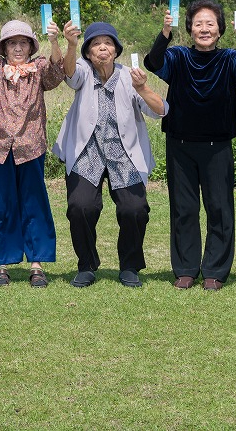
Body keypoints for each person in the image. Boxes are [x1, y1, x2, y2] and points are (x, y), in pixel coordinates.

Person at [144, 0, 236, 291]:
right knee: (184, 208)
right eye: (198, 24)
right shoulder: (179, 56)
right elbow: (153, 63)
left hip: (217, 145)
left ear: (220, 29)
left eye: (210, 24)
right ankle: (185, 268)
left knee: (219, 207)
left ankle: (215, 271)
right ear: (190, 29)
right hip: (180, 143)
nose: (204, 29)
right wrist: (165, 32)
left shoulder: (229, 58)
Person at [54, 21, 167, 288]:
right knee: (80, 207)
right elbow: (70, 75)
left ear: (116, 51)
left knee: (134, 209)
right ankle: (86, 265)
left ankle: (129, 266)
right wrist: (70, 44)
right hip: (87, 153)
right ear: (88, 53)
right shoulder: (82, 71)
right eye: (95, 43)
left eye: (108, 43)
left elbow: (161, 110)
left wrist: (143, 88)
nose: (102, 47)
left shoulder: (130, 76)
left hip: (123, 155)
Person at [0, 16, 73, 288]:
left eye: (23, 43)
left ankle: (36, 264)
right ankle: (2, 263)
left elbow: (56, 74)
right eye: (12, 43)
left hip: (31, 145)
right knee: (2, 205)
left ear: (30, 47)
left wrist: (54, 42)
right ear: (3, 46)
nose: (17, 48)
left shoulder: (38, 68)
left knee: (34, 203)